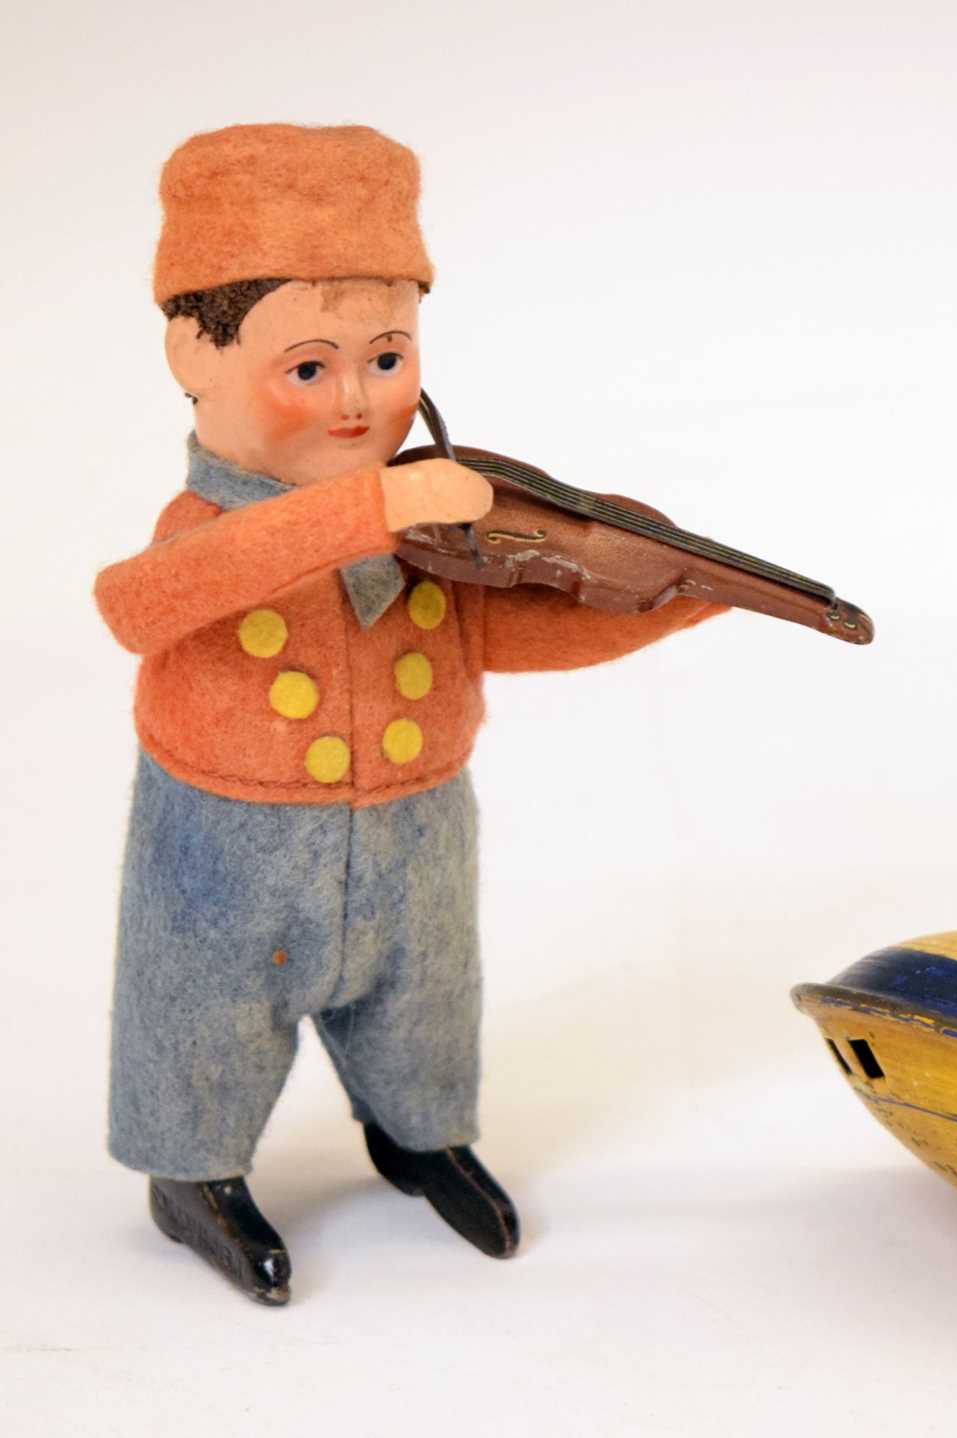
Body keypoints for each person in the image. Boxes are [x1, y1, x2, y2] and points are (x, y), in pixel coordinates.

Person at [94, 123, 722, 1306]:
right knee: (201, 1023)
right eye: (308, 367)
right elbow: (139, 604)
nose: (354, 401)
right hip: (227, 845)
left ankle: (421, 1134)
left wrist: (672, 598)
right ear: (193, 351)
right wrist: (364, 513)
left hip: (416, 828)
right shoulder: (216, 529)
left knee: (427, 1002)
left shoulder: (425, 524)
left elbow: (493, 636)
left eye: (386, 359)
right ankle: (193, 1172)